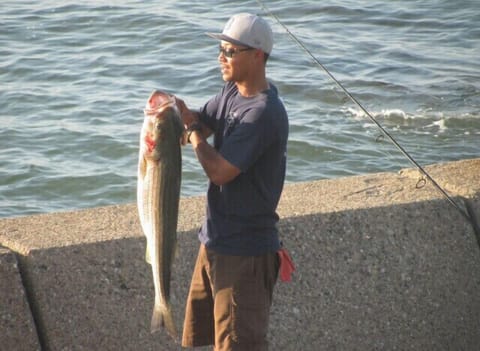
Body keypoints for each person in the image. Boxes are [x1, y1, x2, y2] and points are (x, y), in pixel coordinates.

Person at [176, 12, 289, 351]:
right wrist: (173, 115)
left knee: (238, 345)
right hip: (214, 243)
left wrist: (193, 133)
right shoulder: (230, 93)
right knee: (199, 342)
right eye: (221, 49)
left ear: (257, 55)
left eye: (229, 51)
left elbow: (220, 171)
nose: (220, 57)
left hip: (245, 255)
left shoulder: (263, 112)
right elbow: (201, 121)